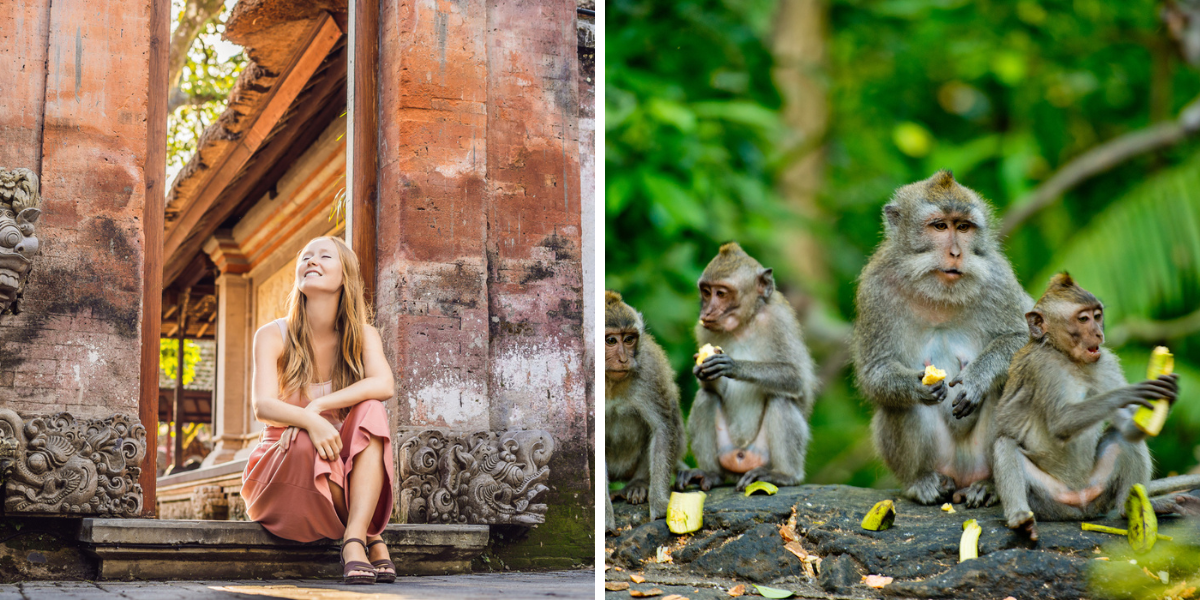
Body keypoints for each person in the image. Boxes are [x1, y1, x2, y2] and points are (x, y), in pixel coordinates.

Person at [241, 236, 397, 584]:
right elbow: (263, 406)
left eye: (324, 256)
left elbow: (384, 385)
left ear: (346, 276)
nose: (311, 261)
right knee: (306, 442)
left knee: (371, 408)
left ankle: (353, 539)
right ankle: (370, 536)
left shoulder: (363, 335)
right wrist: (309, 423)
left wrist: (319, 407)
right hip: (284, 463)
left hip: (336, 461)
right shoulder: (273, 335)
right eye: (305, 256)